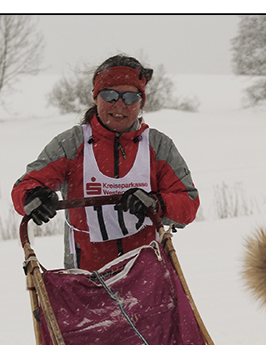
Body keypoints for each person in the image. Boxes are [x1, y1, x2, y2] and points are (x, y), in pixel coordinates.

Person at [12, 55, 199, 270]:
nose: (119, 104)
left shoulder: (157, 146)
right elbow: (25, 186)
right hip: (86, 278)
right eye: (110, 95)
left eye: (130, 97)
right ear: (96, 97)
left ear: (141, 102)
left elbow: (188, 203)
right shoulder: (71, 144)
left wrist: (156, 203)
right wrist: (33, 197)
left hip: (147, 277)